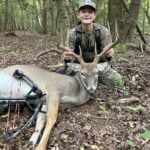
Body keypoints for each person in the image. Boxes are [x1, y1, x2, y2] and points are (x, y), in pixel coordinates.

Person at [57, 0, 124, 87]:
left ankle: (90, 79)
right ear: (78, 15)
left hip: (98, 67)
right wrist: (67, 57)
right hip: (80, 67)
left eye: (90, 12)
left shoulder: (103, 31)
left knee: (118, 81)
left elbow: (107, 58)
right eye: (83, 12)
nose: (86, 14)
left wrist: (109, 55)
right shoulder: (72, 33)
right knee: (60, 78)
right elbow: (69, 56)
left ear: (94, 15)